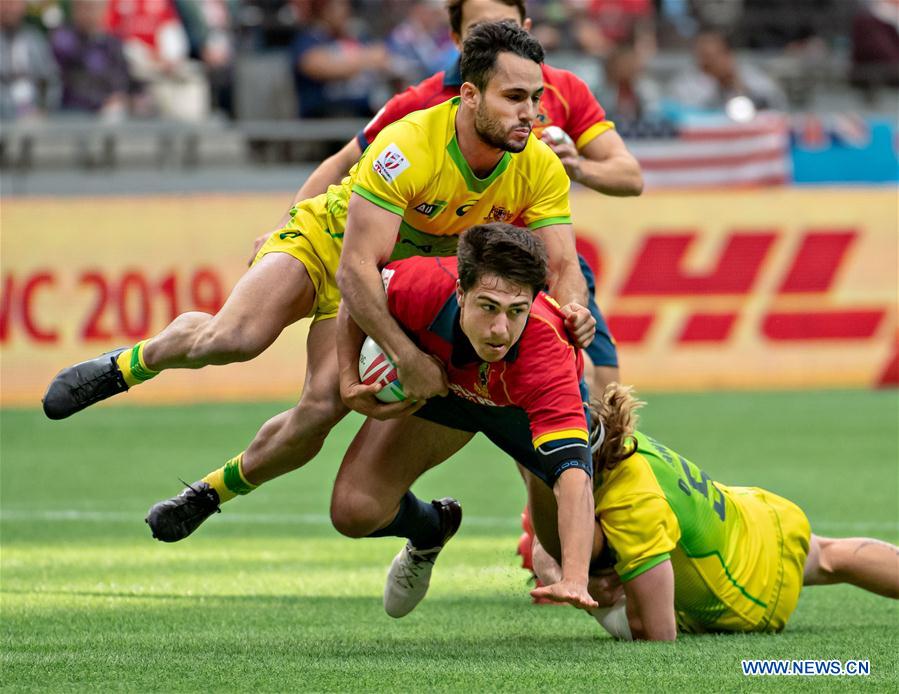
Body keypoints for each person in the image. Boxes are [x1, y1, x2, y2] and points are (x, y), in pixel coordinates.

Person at [42, 22, 594, 543]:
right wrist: (404, 355)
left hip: (390, 284)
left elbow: (564, 266)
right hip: (331, 243)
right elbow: (355, 265)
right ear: (470, 95)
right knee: (235, 339)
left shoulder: (538, 165)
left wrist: (574, 310)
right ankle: (131, 364)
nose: (531, 113)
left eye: (536, 98)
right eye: (514, 98)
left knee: (322, 407)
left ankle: (210, 492)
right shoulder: (411, 145)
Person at [265, 0, 644, 400]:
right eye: (482, 27)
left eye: (506, 26)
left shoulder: (564, 89)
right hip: (472, 265)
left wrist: (578, 167)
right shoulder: (422, 102)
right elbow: (343, 161)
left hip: (543, 251)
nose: (528, 111)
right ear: (459, 38)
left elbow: (630, 176)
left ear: (525, 28)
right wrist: (283, 228)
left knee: (599, 386)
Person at [331, 223, 598, 617]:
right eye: (488, 307)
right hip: (448, 395)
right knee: (353, 511)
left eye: (516, 311)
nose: (499, 330)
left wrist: (576, 578)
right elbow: (357, 294)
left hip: (520, 415)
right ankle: (431, 528)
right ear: (460, 291)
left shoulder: (548, 351)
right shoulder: (421, 286)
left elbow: (573, 473)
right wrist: (347, 379)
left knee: (577, 551)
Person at [527, 384, 899, 640]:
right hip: (761, 518)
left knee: (614, 602)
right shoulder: (625, 444)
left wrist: (577, 585)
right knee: (831, 556)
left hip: (751, 597)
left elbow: (655, 633)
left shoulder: (631, 505)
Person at [668, 28, 788, 113]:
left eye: (716, 55)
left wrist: (739, 85)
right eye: (705, 56)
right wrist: (719, 87)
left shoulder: (747, 73)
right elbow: (688, 114)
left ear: (727, 54)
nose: (711, 61)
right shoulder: (685, 83)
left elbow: (776, 101)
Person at [50, 0, 133, 119]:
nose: (90, 13)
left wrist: (123, 97)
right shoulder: (63, 41)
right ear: (75, 10)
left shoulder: (112, 43)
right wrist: (103, 102)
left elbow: (123, 78)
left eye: (94, 8)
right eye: (85, 7)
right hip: (75, 111)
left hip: (113, 110)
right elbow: (71, 84)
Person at [0, 0, 61, 121]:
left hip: (34, 116)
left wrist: (44, 108)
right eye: (5, 3)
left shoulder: (35, 39)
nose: (10, 9)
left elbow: (51, 78)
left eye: (14, 3)